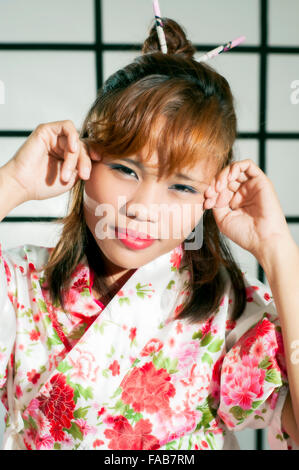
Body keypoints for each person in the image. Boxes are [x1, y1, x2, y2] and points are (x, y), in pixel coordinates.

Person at [0, 18, 299, 451]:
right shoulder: (22, 285)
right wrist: (12, 182)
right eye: (124, 169)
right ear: (85, 159)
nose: (141, 207)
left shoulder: (229, 310)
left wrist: (279, 252)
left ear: (208, 199)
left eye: (181, 186)